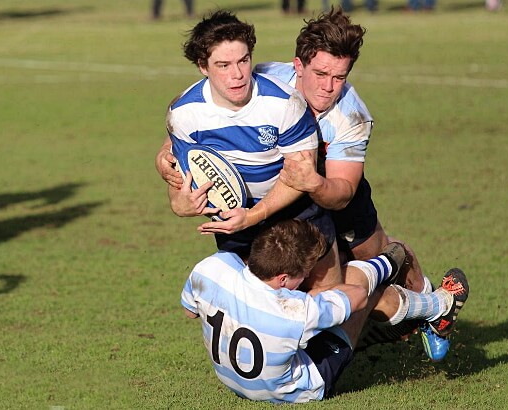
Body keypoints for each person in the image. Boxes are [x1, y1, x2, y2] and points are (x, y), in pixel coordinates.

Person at [253, 7, 454, 360]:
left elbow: (342, 192)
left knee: (382, 258)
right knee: (339, 281)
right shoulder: (265, 80)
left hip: (335, 190)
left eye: (339, 77)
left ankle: (430, 301)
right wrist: (168, 150)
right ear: (297, 66)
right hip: (291, 197)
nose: (329, 87)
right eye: (320, 73)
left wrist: (314, 182)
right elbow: (213, 111)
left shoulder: (352, 116)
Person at [181, 219, 470, 402]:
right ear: (282, 278)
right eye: (303, 273)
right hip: (301, 388)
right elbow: (357, 296)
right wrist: (386, 262)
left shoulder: (210, 268)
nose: (306, 279)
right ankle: (440, 307)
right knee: (361, 285)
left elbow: (191, 312)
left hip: (235, 383)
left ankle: (388, 327)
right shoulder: (294, 311)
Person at [156, 10, 342, 293]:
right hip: (234, 217)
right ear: (202, 67)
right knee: (254, 301)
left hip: (295, 207)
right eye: (223, 65)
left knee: (327, 297)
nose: (237, 74)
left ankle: (381, 280)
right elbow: (181, 174)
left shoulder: (284, 103)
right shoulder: (184, 114)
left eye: (243, 60)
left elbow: (300, 176)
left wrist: (253, 215)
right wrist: (180, 204)